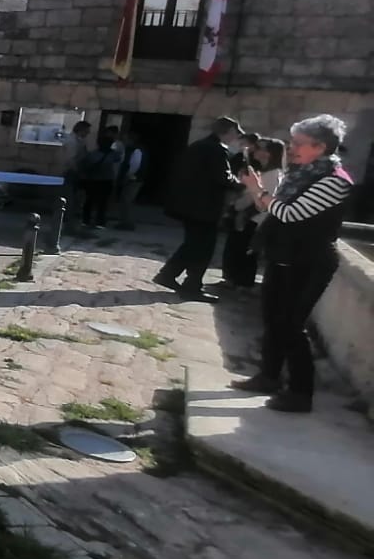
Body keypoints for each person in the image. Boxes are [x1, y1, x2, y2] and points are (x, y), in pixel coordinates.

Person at [231, 116, 356, 412]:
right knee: (273, 319)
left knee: (291, 325)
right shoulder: (300, 173)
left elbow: (288, 213)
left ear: (320, 147)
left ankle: (301, 393)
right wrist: (257, 189)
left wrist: (257, 190)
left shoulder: (335, 180)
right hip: (284, 255)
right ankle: (269, 377)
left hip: (310, 261)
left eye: (299, 143)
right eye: (292, 141)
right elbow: (272, 208)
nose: (292, 147)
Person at [153, 116, 243, 301]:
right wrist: (242, 184)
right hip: (204, 208)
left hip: (191, 205)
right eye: (235, 133)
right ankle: (192, 286)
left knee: (193, 244)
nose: (236, 137)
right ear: (227, 132)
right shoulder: (216, 149)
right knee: (203, 247)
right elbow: (223, 178)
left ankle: (168, 274)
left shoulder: (199, 145)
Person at [220, 137, 280, 288]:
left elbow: (266, 199)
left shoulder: (273, 174)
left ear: (269, 153)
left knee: (246, 251)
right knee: (234, 248)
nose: (255, 150)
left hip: (254, 218)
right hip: (243, 212)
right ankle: (232, 280)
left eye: (260, 148)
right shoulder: (261, 170)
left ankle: (243, 284)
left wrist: (245, 215)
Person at [78, 127, 122, 228]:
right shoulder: (114, 155)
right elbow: (118, 163)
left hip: (92, 180)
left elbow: (84, 165)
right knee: (103, 202)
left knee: (89, 201)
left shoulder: (92, 154)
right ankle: (100, 222)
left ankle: (86, 220)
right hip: (106, 181)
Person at [60, 119, 92, 223]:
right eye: (86, 130)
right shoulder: (72, 141)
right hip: (71, 172)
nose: (88, 133)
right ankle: (67, 218)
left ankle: (71, 216)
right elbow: (71, 159)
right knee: (69, 196)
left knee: (75, 196)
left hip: (77, 171)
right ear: (81, 130)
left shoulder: (80, 141)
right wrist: (78, 172)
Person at [113, 131, 145, 229]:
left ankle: (127, 223)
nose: (124, 141)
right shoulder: (129, 150)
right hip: (131, 179)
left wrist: (127, 176)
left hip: (133, 179)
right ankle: (124, 221)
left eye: (126, 139)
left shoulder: (136, 150)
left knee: (126, 201)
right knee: (125, 200)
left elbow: (134, 165)